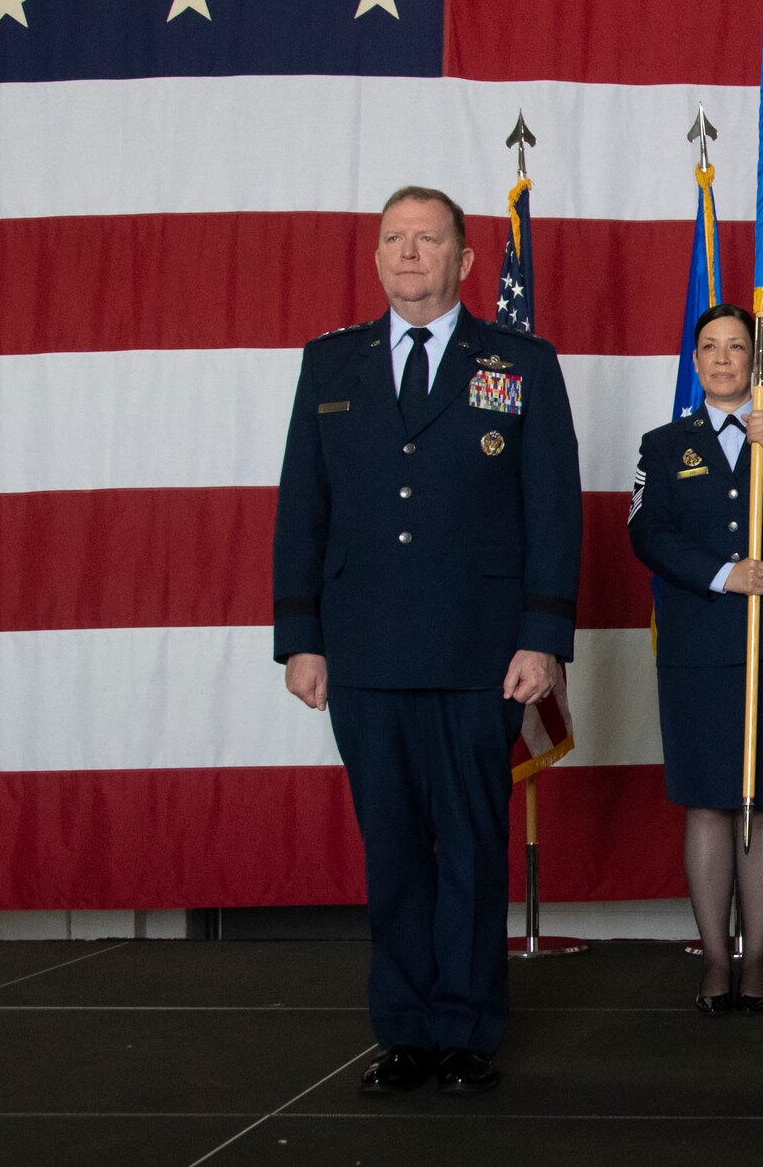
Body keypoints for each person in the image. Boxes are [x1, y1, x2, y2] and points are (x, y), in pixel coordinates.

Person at [273, 186, 583, 1096]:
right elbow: (303, 508)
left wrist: (543, 635)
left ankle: (466, 1030)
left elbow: (552, 510)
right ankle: (403, 1028)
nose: (410, 254)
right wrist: (301, 636)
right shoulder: (331, 364)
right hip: (362, 651)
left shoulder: (519, 361)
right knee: (394, 849)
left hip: (478, 653)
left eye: (429, 239)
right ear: (377, 258)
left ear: (465, 259)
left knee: (473, 846)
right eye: (394, 240)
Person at [628, 302, 763, 1013]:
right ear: (695, 361)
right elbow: (647, 532)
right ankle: (716, 957)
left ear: (757, 362)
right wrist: (722, 573)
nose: (723, 359)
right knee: (709, 803)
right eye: (710, 347)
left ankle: (757, 959)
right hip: (699, 645)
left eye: (737, 347)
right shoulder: (664, 443)